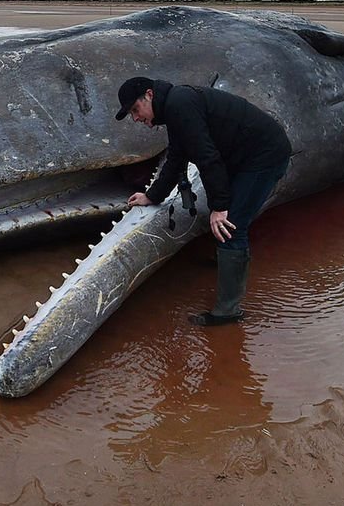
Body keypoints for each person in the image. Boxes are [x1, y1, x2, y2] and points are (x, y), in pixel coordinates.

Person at [115, 76, 292, 325]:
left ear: (150, 95)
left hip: (263, 156)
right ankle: (226, 259)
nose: (136, 118)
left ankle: (228, 312)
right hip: (243, 155)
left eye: (136, 109)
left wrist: (220, 207)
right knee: (223, 213)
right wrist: (153, 195)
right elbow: (177, 156)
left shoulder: (180, 105)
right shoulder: (175, 106)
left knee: (231, 225)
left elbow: (207, 158)